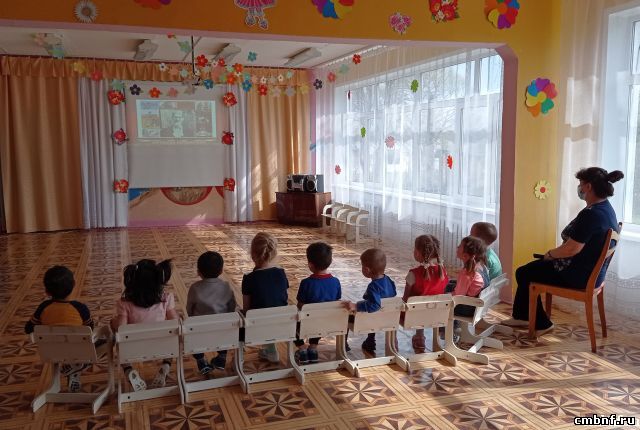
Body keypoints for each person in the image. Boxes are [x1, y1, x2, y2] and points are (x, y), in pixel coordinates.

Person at [503, 167, 623, 336]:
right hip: (593, 275)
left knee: (524, 273)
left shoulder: (591, 215)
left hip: (577, 276)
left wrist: (550, 254)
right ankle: (523, 316)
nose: (579, 188)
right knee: (529, 270)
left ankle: (541, 324)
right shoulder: (606, 208)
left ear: (588, 186)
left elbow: (571, 249)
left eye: (580, 184)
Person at [111, 259, 178, 391]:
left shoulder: (124, 303)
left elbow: (121, 328)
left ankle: (129, 370)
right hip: (162, 346)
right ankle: (166, 366)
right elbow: (175, 322)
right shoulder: (166, 298)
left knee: (119, 343)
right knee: (173, 338)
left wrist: (112, 323)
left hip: (133, 349)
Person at [25, 265, 94, 393]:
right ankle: (74, 366)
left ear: (47, 291)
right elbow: (90, 328)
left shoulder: (43, 307)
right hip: (80, 352)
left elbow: (28, 328)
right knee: (105, 340)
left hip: (52, 352)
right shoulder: (80, 308)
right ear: (74, 285)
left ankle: (73, 369)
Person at [241, 232, 289, 363]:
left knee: (242, 314)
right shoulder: (281, 273)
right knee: (270, 310)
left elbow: (247, 309)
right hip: (282, 324)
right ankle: (270, 348)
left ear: (252, 254)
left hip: (257, 326)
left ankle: (268, 349)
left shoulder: (249, 278)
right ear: (274, 253)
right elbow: (282, 298)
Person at [186, 251, 236, 375]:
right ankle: (222, 357)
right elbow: (232, 307)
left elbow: (189, 309)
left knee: (191, 334)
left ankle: (201, 361)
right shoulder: (226, 286)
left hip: (200, 332)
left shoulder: (195, 288)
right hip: (223, 332)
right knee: (227, 329)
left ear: (199, 272)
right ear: (221, 270)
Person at [294, 242, 342, 364]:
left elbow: (300, 305)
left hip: (309, 322)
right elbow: (336, 300)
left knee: (291, 324)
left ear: (310, 265)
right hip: (327, 322)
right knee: (318, 318)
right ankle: (313, 348)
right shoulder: (335, 281)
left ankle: (302, 348)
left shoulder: (306, 283)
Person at [343, 248, 397, 353]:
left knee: (347, 316)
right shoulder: (389, 280)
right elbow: (393, 294)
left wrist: (356, 306)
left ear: (366, 270)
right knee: (374, 313)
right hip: (388, 318)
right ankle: (370, 340)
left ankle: (343, 344)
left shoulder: (373, 286)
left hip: (372, 319)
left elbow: (375, 305)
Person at [403, 235, 449, 353]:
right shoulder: (443, 271)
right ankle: (434, 337)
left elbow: (405, 299)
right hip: (437, 315)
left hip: (413, 317)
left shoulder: (413, 274)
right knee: (423, 305)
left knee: (406, 307)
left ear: (418, 253)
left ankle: (419, 337)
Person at [451, 236, 490, 317]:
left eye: (460, 246)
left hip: (467, 308)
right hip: (477, 306)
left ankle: (446, 324)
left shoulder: (467, 273)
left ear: (465, 255)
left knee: (443, 296)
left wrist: (446, 296)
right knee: (450, 284)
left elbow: (458, 296)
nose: (457, 247)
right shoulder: (482, 267)